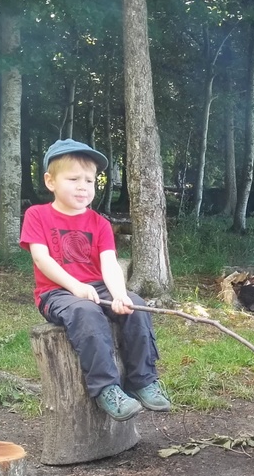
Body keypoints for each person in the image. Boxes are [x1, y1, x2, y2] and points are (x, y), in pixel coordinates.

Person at [19, 138, 171, 421]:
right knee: (86, 313)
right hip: (56, 293)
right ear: (50, 181)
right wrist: (75, 286)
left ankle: (142, 381)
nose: (83, 186)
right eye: (73, 178)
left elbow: (109, 263)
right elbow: (42, 259)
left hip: (98, 287)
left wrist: (118, 294)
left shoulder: (100, 223)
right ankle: (106, 388)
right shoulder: (37, 215)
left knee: (135, 308)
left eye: (90, 180)